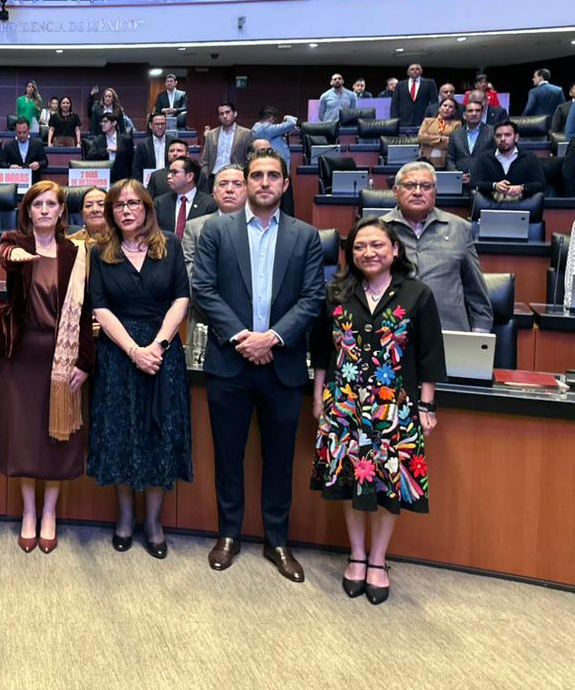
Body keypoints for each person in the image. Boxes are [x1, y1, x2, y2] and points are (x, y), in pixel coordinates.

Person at [192, 151, 325, 582]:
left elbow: (312, 298)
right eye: (256, 176)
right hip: (230, 363)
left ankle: (278, 540)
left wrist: (272, 337)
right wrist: (243, 337)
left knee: (279, 458)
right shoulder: (216, 229)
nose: (264, 182)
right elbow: (204, 290)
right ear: (245, 183)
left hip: (282, 365)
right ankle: (228, 534)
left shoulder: (306, 236)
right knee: (228, 457)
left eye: (273, 176)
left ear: (286, 185)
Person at [311, 217, 445, 604]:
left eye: (376, 245)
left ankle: (378, 560)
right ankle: (355, 555)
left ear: (395, 250)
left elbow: (430, 354)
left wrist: (427, 404)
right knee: (351, 480)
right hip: (345, 404)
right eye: (358, 247)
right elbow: (322, 351)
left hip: (396, 407)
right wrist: (320, 397)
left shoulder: (416, 294)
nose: (367, 253)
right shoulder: (335, 292)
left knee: (388, 485)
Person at [87, 179, 191, 558]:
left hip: (162, 354)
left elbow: (182, 298)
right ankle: (125, 518)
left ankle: (154, 521)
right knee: (121, 434)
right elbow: (99, 307)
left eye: (133, 203)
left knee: (157, 435)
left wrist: (158, 346)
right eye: (118, 205)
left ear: (147, 207)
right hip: (118, 354)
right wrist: (134, 350)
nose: (126, 210)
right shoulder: (101, 253)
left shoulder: (170, 245)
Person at [0, 181, 94, 553]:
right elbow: (4, 253)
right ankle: (29, 512)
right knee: (23, 436)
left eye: (51, 204)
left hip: (63, 355)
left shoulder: (77, 252)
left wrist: (84, 360)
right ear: (27, 211)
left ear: (61, 211)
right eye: (37, 204)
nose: (44, 211)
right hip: (22, 355)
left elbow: (86, 312)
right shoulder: (16, 245)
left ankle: (50, 512)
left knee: (58, 436)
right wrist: (15, 256)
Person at [381, 161, 492, 332]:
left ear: (435, 193)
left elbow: (476, 290)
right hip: (391, 335)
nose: (418, 192)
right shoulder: (378, 230)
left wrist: (479, 335)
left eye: (426, 186)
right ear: (395, 192)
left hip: (449, 333)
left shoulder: (459, 228)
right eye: (410, 185)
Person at [469, 120, 546, 201]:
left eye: (507, 135)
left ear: (516, 138)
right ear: (494, 138)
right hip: (492, 205)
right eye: (498, 136)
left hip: (521, 206)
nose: (502, 139)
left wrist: (522, 188)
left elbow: (541, 184)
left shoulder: (529, 157)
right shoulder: (484, 158)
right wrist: (494, 186)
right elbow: (474, 183)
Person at [155, 158, 216, 238]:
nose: (168, 176)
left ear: (189, 176)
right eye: (169, 172)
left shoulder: (209, 204)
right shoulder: (160, 203)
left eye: (174, 172)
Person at [200, 102, 253, 183]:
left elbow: (249, 159)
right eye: (221, 114)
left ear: (235, 114)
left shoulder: (246, 133)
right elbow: (205, 160)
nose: (225, 116)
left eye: (227, 112)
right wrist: (206, 176)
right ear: (219, 117)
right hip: (213, 176)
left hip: (236, 176)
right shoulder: (211, 134)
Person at [85, 112, 134, 184]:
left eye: (105, 121)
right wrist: (106, 150)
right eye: (101, 122)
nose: (102, 124)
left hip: (122, 179)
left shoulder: (126, 140)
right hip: (103, 178)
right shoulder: (98, 140)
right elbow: (90, 156)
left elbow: (131, 161)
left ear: (114, 123)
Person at [0, 117, 48, 183]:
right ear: (15, 131)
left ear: (28, 130)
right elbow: (0, 164)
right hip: (14, 182)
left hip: (33, 182)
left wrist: (38, 164)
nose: (22, 135)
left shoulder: (37, 144)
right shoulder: (8, 145)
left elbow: (45, 162)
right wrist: (10, 166)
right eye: (19, 132)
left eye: (24, 132)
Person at [391, 63, 438, 129]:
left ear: (421, 71)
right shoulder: (400, 84)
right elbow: (394, 104)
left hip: (423, 120)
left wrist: (434, 119)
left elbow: (434, 102)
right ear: (408, 72)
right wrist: (394, 121)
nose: (415, 70)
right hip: (403, 121)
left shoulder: (429, 83)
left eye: (417, 69)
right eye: (412, 69)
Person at [417, 96, 460, 167]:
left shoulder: (456, 124)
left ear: (454, 111)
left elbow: (452, 144)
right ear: (439, 108)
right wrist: (441, 139)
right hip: (425, 160)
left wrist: (429, 141)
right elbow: (421, 137)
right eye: (445, 105)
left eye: (450, 107)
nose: (447, 108)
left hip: (444, 162)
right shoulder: (428, 121)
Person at [132, 112, 171, 182]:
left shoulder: (173, 142)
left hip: (170, 180)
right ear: (150, 125)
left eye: (162, 124)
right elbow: (136, 169)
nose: (160, 127)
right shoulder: (143, 145)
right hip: (149, 181)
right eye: (157, 124)